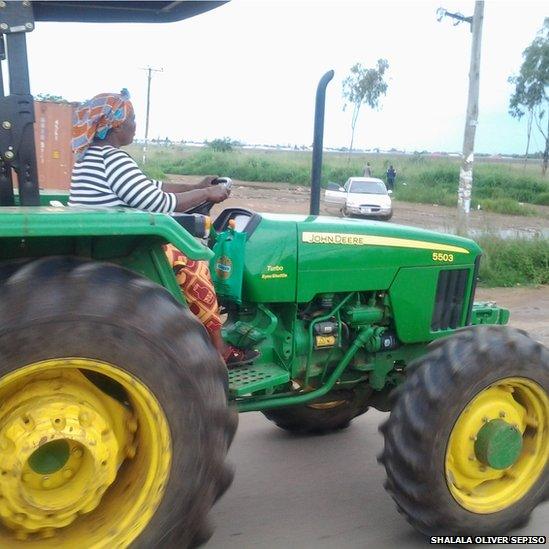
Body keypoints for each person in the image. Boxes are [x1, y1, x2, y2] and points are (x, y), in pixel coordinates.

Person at [70, 89, 258, 368]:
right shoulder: (113, 159)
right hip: (122, 248)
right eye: (132, 119)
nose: (136, 125)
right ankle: (219, 348)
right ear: (118, 125)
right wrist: (208, 195)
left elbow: (150, 187)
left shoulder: (90, 158)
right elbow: (157, 202)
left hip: (106, 242)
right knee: (195, 260)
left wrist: (197, 187)